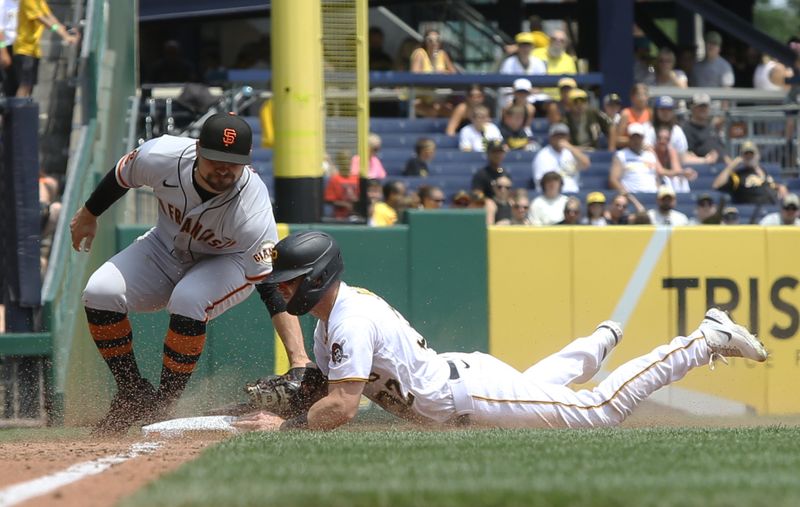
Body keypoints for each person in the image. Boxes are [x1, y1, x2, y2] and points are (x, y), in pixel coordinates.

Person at [234, 231, 767, 432]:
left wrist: (286, 427)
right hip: (462, 383)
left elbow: (343, 408)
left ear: (317, 279)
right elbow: (324, 391)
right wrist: (287, 397)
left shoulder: (346, 320)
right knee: (541, 390)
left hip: (465, 394)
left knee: (598, 415)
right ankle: (595, 345)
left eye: (289, 282)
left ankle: (702, 341)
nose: (281, 292)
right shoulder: (334, 318)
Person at [69, 113, 311, 435]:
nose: (224, 169)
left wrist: (298, 357)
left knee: (189, 298)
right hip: (164, 247)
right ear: (198, 149)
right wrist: (89, 213)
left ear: (247, 161)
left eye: (234, 162)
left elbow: (270, 282)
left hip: (228, 262)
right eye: (216, 159)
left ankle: (166, 403)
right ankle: (132, 393)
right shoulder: (162, 156)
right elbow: (121, 175)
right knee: (100, 291)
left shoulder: (252, 208)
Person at [14, 0, 78, 97]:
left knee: (30, 85)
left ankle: (25, 108)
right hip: (24, 48)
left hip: (34, 50)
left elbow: (49, 16)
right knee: (25, 85)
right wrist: (64, 35)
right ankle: (18, 110)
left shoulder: (40, 1)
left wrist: (66, 31)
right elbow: (41, 19)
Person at [712, 141, 785, 205]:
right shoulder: (738, 176)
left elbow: (768, 185)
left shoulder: (764, 172)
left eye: (751, 154)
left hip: (772, 208)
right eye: (746, 154)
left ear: (758, 155)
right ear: (741, 157)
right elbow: (716, 185)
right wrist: (732, 165)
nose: (749, 157)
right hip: (753, 212)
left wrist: (780, 187)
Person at [532, 122, 590, 193]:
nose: (560, 139)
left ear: (568, 137)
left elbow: (586, 164)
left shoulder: (570, 152)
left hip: (572, 193)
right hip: (552, 196)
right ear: (551, 138)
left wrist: (570, 147)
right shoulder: (543, 155)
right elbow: (540, 181)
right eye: (557, 136)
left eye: (563, 136)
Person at [609, 123, 663, 194]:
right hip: (632, 196)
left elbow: (657, 178)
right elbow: (613, 180)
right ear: (629, 138)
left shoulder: (650, 155)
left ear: (643, 138)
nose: (636, 140)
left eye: (638, 137)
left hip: (652, 195)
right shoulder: (621, 155)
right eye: (633, 137)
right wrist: (626, 194)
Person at [682, 93, 728, 165]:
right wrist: (704, 160)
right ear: (692, 108)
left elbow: (722, 150)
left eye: (705, 106)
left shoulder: (711, 127)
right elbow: (685, 155)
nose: (703, 109)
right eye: (700, 106)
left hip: (722, 168)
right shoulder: (686, 129)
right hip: (702, 170)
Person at [533, 29, 577, 98]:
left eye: (562, 41)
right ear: (549, 40)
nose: (557, 42)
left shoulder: (569, 60)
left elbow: (572, 84)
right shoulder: (535, 53)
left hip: (560, 99)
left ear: (565, 44)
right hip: (538, 96)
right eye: (554, 39)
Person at [324, 150, 360, 220]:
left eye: (347, 159)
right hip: (340, 217)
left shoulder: (356, 178)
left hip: (357, 214)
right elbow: (329, 200)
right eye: (342, 160)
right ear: (339, 162)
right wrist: (345, 204)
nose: (345, 162)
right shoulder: (334, 179)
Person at [616, 83, 651, 148]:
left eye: (645, 94)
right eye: (639, 95)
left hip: (647, 152)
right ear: (632, 97)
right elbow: (617, 140)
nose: (642, 98)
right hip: (628, 151)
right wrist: (635, 141)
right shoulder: (626, 113)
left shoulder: (651, 113)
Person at [0, 0, 19, 97]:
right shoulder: (3, 3)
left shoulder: (25, 3)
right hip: (6, 47)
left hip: (20, 49)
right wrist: (3, 52)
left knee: (17, 84)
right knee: (7, 83)